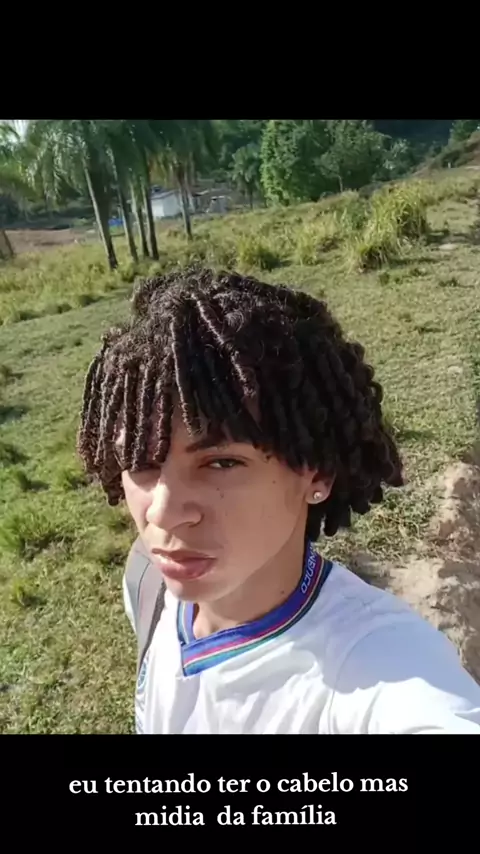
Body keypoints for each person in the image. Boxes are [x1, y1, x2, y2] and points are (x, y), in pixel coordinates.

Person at [77, 267, 480, 734]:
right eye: (140, 462)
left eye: (221, 463)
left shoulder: (380, 668)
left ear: (317, 472)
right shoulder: (147, 580)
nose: (162, 514)